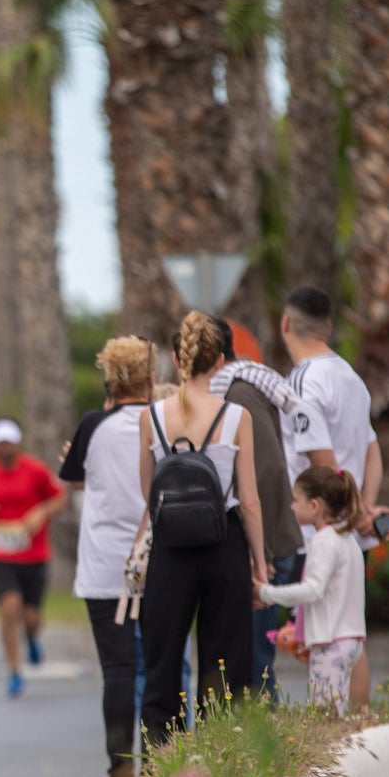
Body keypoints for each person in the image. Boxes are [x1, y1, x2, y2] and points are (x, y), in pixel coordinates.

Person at [137, 312, 268, 744]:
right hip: (223, 544)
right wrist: (260, 565)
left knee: (163, 660)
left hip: (170, 547)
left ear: (177, 358)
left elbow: (147, 491)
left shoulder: (152, 417)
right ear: (219, 362)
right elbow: (249, 501)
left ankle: (162, 770)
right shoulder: (235, 417)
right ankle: (222, 762)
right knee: (225, 662)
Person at [63, 339, 152, 777]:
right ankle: (162, 770)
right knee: (161, 666)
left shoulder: (93, 425)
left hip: (104, 567)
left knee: (118, 672)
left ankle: (121, 775)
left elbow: (74, 475)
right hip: (156, 559)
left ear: (109, 380)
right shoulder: (162, 419)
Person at [206, 319, 312, 698]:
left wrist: (258, 552)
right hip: (265, 542)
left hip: (264, 546)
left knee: (254, 664)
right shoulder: (243, 385)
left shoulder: (238, 393)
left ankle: (263, 746)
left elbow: (265, 471)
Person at [0, 419, 66, 696]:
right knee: (9, 609)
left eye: (8, 443)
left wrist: (41, 512)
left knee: (31, 617)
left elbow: (60, 498)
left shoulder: (35, 470)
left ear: (16, 444)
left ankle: (32, 637)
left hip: (34, 554)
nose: (3, 448)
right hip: (1, 555)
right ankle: (14, 670)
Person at [280, 286, 388, 542]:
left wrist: (357, 513)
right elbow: (372, 450)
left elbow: (323, 462)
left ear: (286, 324)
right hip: (352, 535)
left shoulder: (302, 382)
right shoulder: (351, 378)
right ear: (328, 328)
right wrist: (365, 509)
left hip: (315, 539)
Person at [260, 467, 370, 714]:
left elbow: (313, 590)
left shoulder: (324, 541)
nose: (291, 506)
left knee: (326, 718)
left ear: (314, 505)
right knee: (338, 713)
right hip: (351, 639)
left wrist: (266, 593)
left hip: (330, 642)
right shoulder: (347, 539)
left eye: (295, 500)